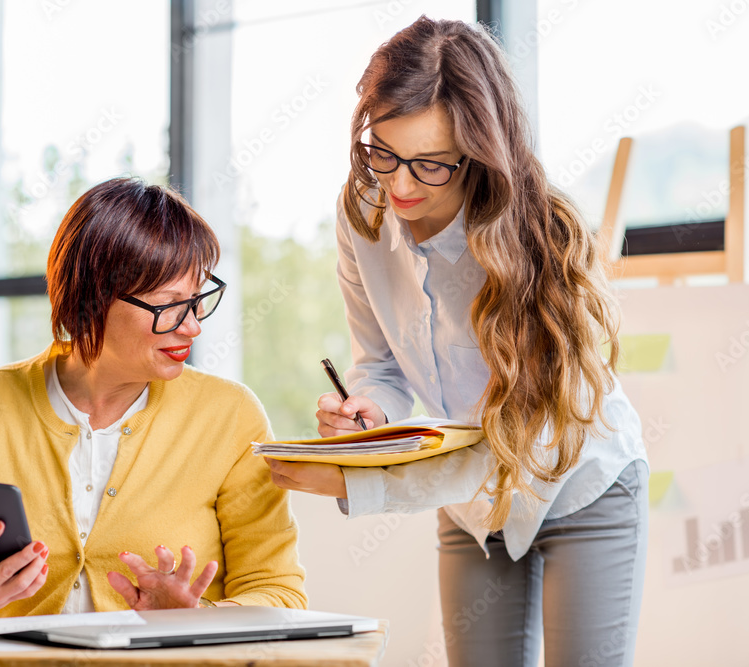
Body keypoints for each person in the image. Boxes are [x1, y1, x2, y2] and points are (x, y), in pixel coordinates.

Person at [265, 17, 647, 667]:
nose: (402, 185)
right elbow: (379, 362)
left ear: (478, 153)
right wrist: (370, 417)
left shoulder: (542, 235)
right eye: (382, 152)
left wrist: (358, 486)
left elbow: (522, 441)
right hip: (470, 505)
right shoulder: (362, 212)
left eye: (430, 164)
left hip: (580, 481)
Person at [0, 178, 307, 624]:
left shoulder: (230, 416)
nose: (192, 328)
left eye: (198, 300)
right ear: (91, 300)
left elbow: (278, 590)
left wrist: (198, 618)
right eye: (168, 306)